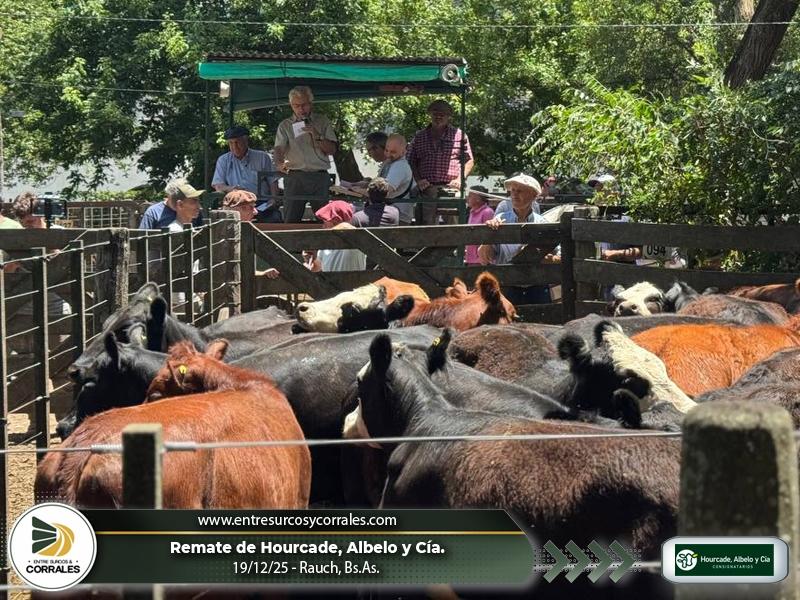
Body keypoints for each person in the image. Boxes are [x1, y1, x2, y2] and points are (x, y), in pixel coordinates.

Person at [478, 174, 556, 304]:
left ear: (533, 195)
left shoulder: (543, 223)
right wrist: (489, 236)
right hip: (506, 285)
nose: (514, 194)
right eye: (512, 190)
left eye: (520, 191)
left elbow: (558, 257)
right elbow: (484, 259)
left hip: (536, 287)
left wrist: (539, 257)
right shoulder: (499, 220)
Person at [273, 86, 338, 223]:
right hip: (295, 176)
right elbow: (279, 148)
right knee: (291, 220)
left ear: (311, 103)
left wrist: (317, 135)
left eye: (304, 105)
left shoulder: (322, 121)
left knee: (325, 220)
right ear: (291, 105)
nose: (301, 109)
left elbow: (332, 150)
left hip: (319, 176)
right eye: (296, 106)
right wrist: (279, 163)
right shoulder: (285, 125)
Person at [406, 99, 474, 224]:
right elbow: (411, 160)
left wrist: (460, 179)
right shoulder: (419, 136)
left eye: (442, 114)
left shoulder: (459, 135)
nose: (438, 117)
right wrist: (419, 180)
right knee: (426, 223)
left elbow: (469, 160)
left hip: (451, 187)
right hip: (427, 188)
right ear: (429, 114)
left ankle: (455, 237)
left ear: (449, 116)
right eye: (435, 113)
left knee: (454, 222)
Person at [212, 126, 281, 223]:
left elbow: (273, 181)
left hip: (260, 202)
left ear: (245, 141)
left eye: (237, 142)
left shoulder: (262, 157)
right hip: (238, 204)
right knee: (227, 221)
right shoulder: (223, 160)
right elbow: (218, 185)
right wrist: (232, 189)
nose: (234, 147)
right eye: (231, 143)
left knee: (274, 218)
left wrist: (273, 199)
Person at [221, 190, 280, 279]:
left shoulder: (246, 233)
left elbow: (244, 272)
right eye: (249, 208)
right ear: (234, 210)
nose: (255, 212)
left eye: (254, 207)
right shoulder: (219, 236)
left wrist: (263, 273)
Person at [307, 201, 366, 272]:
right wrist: (311, 259)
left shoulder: (353, 239)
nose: (323, 226)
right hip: (329, 279)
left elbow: (346, 226)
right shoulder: (327, 242)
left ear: (336, 221)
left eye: (325, 223)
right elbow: (317, 267)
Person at [139, 178, 204, 229]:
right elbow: (142, 237)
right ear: (169, 195)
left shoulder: (194, 211)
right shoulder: (153, 212)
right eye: (175, 196)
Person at [465, 186, 494, 265]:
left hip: (481, 259)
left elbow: (489, 234)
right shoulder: (472, 211)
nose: (467, 198)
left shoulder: (487, 212)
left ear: (478, 198)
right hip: (470, 258)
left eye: (470, 196)